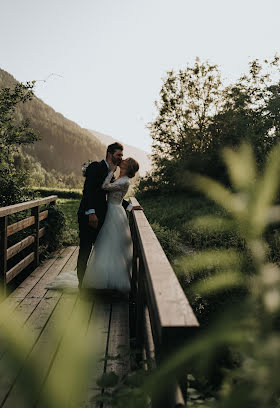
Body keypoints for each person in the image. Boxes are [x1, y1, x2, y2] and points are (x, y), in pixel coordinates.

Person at [82, 157, 139, 293]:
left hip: (114, 212)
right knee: (106, 243)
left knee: (112, 244)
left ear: (128, 166)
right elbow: (118, 197)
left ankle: (112, 281)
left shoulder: (124, 181)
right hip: (112, 210)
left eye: (125, 161)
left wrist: (110, 172)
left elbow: (105, 187)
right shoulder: (120, 178)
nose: (122, 160)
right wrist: (131, 207)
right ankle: (104, 279)